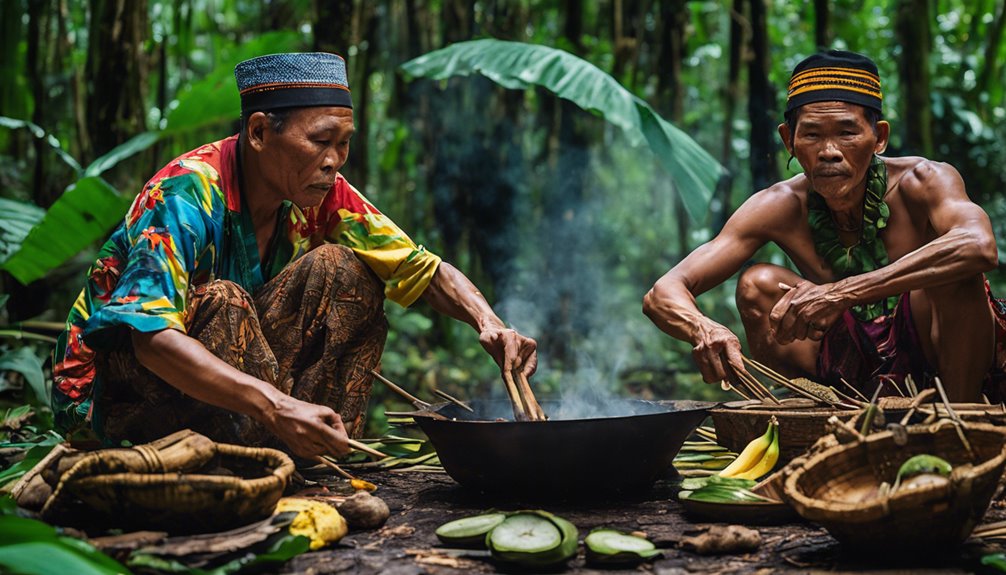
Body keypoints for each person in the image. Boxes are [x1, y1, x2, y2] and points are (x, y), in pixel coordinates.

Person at [52, 52, 537, 459]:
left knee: (346, 269)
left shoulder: (320, 193)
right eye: (321, 142)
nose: (333, 161)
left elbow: (418, 267)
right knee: (225, 301)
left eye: (344, 145)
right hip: (111, 400)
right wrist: (277, 406)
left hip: (234, 399)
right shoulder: (186, 193)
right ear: (260, 132)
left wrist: (488, 322)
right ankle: (260, 449)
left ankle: (319, 451)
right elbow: (150, 338)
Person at [643, 50, 1005, 403]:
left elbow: (978, 245)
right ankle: (808, 415)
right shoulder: (779, 205)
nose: (829, 151)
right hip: (851, 371)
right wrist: (703, 329)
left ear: (879, 137)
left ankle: (962, 423)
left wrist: (841, 292)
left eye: (847, 133)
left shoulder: (924, 180)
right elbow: (663, 293)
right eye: (812, 135)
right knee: (758, 286)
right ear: (789, 140)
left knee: (955, 270)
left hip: (942, 356)